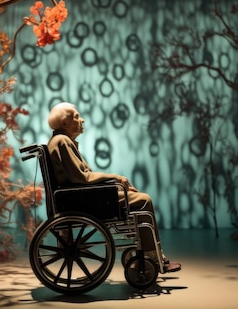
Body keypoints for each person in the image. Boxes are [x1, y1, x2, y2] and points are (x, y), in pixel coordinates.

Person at [46, 102, 181, 273]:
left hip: (80, 196)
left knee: (136, 198)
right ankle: (152, 256)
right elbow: (82, 177)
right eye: (77, 117)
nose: (82, 120)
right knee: (144, 200)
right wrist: (116, 178)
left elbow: (81, 178)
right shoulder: (62, 142)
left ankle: (149, 252)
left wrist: (116, 186)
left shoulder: (61, 141)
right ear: (65, 123)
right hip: (82, 200)